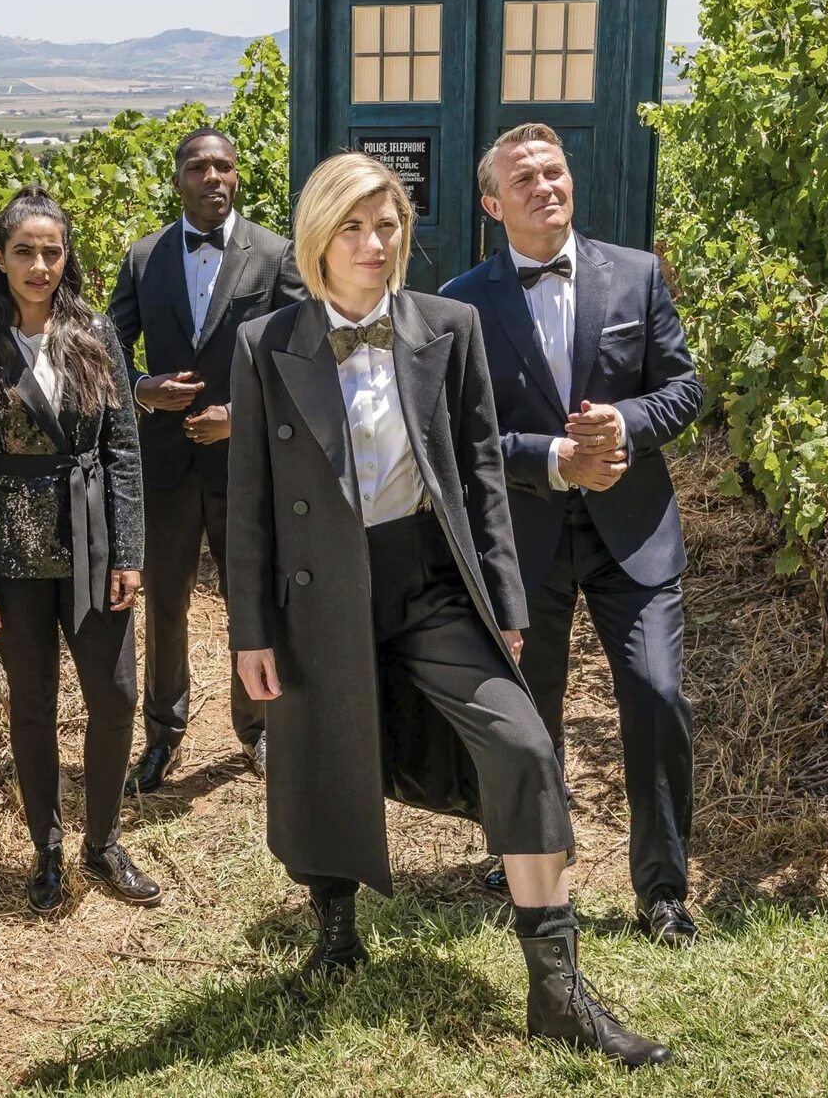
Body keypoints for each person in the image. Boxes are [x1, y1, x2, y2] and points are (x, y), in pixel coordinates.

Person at [226, 153, 671, 1065]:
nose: (374, 243)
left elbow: (479, 476)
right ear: (318, 239)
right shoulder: (264, 344)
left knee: (525, 745)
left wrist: (504, 600)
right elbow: (250, 503)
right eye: (353, 227)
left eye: (387, 224)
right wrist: (250, 631)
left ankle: (558, 991)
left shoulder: (447, 325)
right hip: (317, 592)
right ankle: (336, 933)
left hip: (430, 582)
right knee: (324, 759)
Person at [440, 124, 704, 947]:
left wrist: (624, 424)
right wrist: (552, 456)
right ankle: (536, 855)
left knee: (656, 696)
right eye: (523, 178)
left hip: (634, 532)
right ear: (493, 204)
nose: (545, 186)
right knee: (531, 710)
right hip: (523, 536)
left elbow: (684, 387)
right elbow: (460, 435)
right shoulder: (461, 302)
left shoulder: (637, 274)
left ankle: (663, 889)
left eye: (553, 171)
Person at [0, 186, 161, 913]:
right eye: (24, 251)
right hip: (13, 557)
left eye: (51, 251)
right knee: (32, 707)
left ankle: (104, 840)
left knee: (116, 696)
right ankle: (48, 848)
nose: (39, 265)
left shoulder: (96, 332)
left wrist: (130, 551)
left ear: (67, 258)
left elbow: (123, 450)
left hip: (94, 547)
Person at [107, 128, 306, 792]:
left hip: (246, 466)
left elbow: (301, 358)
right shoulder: (144, 257)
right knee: (165, 607)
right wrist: (143, 389)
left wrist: (240, 416)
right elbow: (105, 348)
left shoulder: (275, 255)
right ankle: (163, 736)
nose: (213, 176)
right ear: (178, 179)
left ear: (237, 176)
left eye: (224, 165)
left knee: (252, 600)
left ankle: (258, 728)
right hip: (165, 469)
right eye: (199, 166)